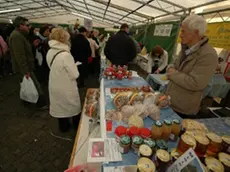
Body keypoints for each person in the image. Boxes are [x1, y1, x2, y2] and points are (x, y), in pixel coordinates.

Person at [166, 14, 218, 118]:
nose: (180, 34)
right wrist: (171, 68)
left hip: (184, 109)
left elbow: (196, 83)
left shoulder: (208, 54)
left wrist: (173, 74)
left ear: (196, 33)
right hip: (170, 102)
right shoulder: (187, 47)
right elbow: (173, 65)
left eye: (183, 31)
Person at [47, 27, 81, 132]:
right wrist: (75, 66)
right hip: (66, 86)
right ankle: (77, 128)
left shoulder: (50, 51)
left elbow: (52, 66)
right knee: (73, 107)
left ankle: (64, 128)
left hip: (55, 83)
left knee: (60, 107)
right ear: (63, 39)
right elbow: (75, 74)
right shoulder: (66, 55)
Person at [9, 16, 47, 108]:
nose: (29, 27)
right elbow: (20, 55)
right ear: (20, 26)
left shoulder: (19, 35)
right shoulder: (16, 36)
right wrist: (26, 71)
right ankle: (41, 104)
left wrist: (32, 45)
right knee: (35, 85)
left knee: (26, 85)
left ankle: (27, 101)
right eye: (27, 25)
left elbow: (23, 50)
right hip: (24, 68)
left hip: (24, 67)